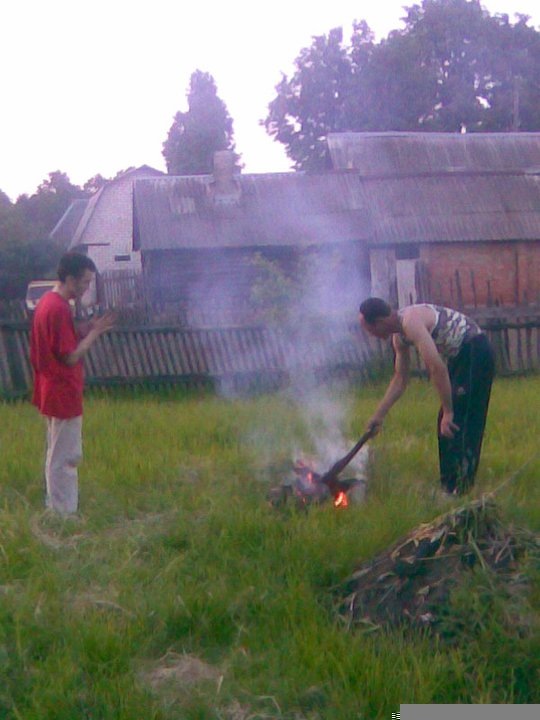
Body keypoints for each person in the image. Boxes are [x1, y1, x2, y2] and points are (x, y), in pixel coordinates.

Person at [358, 298, 495, 495]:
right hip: (460, 357)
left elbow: (436, 367)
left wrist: (448, 410)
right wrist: (378, 416)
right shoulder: (400, 337)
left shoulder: (410, 322)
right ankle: (449, 487)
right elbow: (400, 378)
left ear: (379, 322)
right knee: (446, 424)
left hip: (475, 350)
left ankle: (462, 489)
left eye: (370, 330)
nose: (371, 335)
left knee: (459, 420)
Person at [30, 252, 115, 514]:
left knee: (56, 452)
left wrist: (84, 328)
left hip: (50, 388)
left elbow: (59, 341)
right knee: (66, 457)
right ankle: (63, 514)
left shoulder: (48, 302)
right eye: (84, 282)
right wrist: (95, 333)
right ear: (69, 279)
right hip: (63, 391)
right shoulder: (58, 308)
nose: (87, 288)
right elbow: (70, 356)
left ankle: (55, 507)